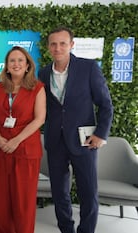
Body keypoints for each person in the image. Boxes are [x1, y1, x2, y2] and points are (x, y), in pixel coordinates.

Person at [39, 26, 113, 233]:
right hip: (55, 141)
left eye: (63, 43)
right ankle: (66, 229)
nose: (58, 48)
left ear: (71, 45)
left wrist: (101, 134)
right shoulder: (43, 73)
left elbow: (106, 104)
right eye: (53, 44)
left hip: (85, 141)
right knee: (59, 192)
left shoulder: (88, 68)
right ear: (48, 47)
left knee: (88, 191)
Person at [0, 46, 46, 233]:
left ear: (28, 65)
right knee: (1, 201)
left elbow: (40, 118)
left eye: (20, 60)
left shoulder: (37, 88)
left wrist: (17, 140)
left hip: (26, 152)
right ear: (6, 66)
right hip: (2, 150)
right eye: (12, 60)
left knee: (23, 203)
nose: (16, 64)